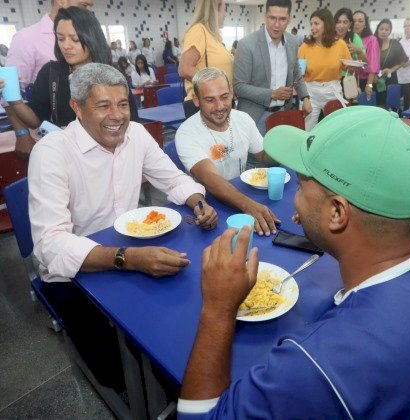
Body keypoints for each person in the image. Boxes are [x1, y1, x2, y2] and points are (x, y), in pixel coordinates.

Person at [177, 105, 410, 418]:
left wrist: (218, 310)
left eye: (301, 186)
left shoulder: (321, 364)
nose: (295, 200)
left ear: (336, 213)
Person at [28, 62, 217, 391]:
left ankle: (180, 384)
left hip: (130, 251)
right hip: (75, 274)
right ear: (77, 107)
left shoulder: (137, 135)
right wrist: (128, 259)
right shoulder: (51, 153)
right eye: (103, 105)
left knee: (185, 316)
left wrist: (197, 202)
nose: (117, 115)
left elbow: (172, 178)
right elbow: (50, 245)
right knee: (119, 370)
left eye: (123, 104)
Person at [176, 67, 280, 236]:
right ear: (196, 100)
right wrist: (249, 205)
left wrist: (286, 147)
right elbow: (210, 180)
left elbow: (264, 156)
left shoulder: (243, 119)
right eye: (210, 100)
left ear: (232, 93)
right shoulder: (187, 132)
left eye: (224, 97)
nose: (219, 107)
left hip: (242, 196)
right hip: (209, 209)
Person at [3, 7, 138, 131]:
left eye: (74, 40)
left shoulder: (112, 74)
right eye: (61, 39)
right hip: (66, 153)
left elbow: (131, 122)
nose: (66, 46)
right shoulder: (51, 73)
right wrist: (15, 100)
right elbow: (34, 121)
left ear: (92, 39)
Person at [4, 0, 94, 160]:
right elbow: (10, 87)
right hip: (47, 136)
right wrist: (21, 133)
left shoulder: (89, 35)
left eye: (74, 39)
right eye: (83, 5)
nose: (67, 46)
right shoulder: (26, 38)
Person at [233, 0, 310, 135]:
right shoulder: (246, 44)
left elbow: (296, 73)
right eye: (272, 18)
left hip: (283, 113)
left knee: (278, 155)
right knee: (255, 156)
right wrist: (272, 94)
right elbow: (239, 86)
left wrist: (305, 97)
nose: (276, 24)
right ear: (265, 16)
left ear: (289, 19)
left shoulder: (292, 42)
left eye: (282, 19)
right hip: (255, 117)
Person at [298, 8, 351, 131]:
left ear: (326, 25)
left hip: (333, 91)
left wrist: (353, 66)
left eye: (316, 23)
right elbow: (299, 73)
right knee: (307, 131)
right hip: (311, 93)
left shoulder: (340, 45)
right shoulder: (305, 47)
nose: (312, 27)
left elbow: (347, 68)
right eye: (311, 24)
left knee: (335, 130)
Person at [179, 0, 232, 118]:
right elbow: (185, 68)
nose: (226, 14)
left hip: (218, 103)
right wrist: (215, 84)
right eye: (225, 9)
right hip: (204, 104)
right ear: (215, 9)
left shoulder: (212, 35)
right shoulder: (198, 30)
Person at [374, 19, 407, 107]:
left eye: (387, 29)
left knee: (390, 107)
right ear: (377, 30)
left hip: (390, 81)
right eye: (381, 29)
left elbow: (403, 61)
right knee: (376, 107)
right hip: (374, 80)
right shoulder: (373, 43)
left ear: (390, 31)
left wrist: (391, 70)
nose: (383, 31)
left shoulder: (395, 44)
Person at [353, 10, 380, 100]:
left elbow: (373, 63)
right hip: (351, 80)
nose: (356, 23)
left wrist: (369, 84)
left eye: (360, 21)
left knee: (365, 110)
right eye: (354, 21)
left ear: (365, 24)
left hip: (366, 80)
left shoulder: (371, 39)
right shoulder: (350, 39)